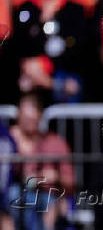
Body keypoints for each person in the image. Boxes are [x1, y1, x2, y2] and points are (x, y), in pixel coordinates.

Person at [9, 92, 75, 230]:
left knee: (50, 204)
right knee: (14, 196)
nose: (28, 126)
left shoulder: (56, 143)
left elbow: (71, 183)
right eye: (25, 120)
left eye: (32, 120)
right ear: (18, 117)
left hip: (51, 196)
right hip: (15, 197)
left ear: (40, 118)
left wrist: (56, 177)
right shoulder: (8, 142)